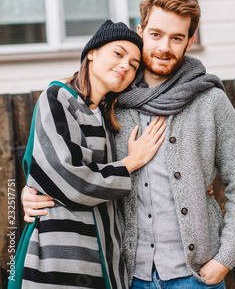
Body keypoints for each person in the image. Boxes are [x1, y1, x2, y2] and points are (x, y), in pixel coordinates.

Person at [23, 0, 235, 289]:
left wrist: (224, 259)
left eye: (177, 38)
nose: (164, 47)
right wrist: (31, 193)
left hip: (195, 276)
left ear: (190, 40)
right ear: (141, 31)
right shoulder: (111, 100)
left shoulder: (209, 100)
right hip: (129, 275)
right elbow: (68, 163)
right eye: (157, 34)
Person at [12, 20, 166, 289]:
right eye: (118, 54)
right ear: (91, 53)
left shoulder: (110, 118)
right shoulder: (57, 97)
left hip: (105, 262)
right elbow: (70, 179)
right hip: (59, 258)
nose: (125, 66)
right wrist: (131, 162)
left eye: (133, 65)